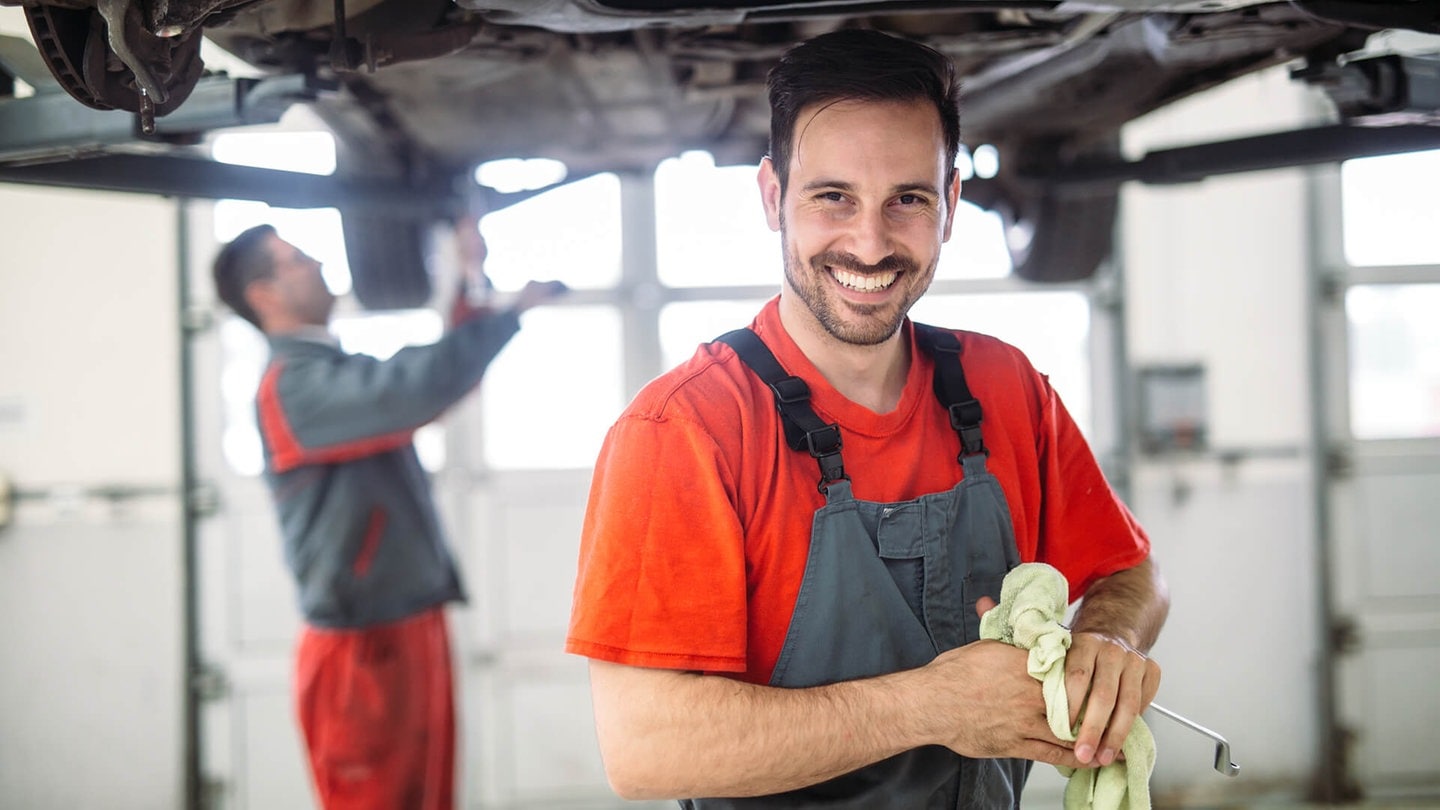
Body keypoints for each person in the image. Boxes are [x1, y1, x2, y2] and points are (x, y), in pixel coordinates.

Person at [565, 28, 1170, 808]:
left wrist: (1107, 641)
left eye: (908, 199)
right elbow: (645, 747)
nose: (871, 242)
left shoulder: (1004, 387)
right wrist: (929, 705)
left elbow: (1132, 569)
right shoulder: (686, 432)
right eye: (833, 197)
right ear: (773, 197)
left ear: (950, 206)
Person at [212, 220, 565, 810]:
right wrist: (511, 313)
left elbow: (427, 377)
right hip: (361, 650)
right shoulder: (293, 388)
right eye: (297, 259)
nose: (319, 263)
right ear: (264, 295)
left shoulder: (329, 371)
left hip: (400, 626)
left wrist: (469, 273)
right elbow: (416, 386)